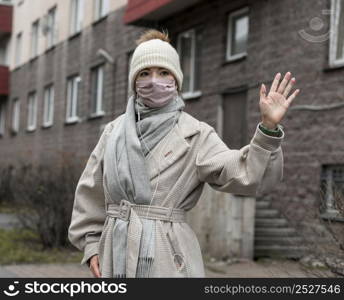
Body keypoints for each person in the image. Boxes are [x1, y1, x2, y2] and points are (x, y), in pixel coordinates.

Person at [68, 29, 300, 278]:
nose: (154, 80)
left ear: (176, 81)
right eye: (145, 73)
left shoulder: (196, 134)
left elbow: (246, 174)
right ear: (134, 81)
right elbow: (90, 193)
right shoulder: (113, 132)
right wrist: (92, 245)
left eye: (163, 72)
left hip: (169, 258)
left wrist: (268, 129)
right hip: (115, 254)